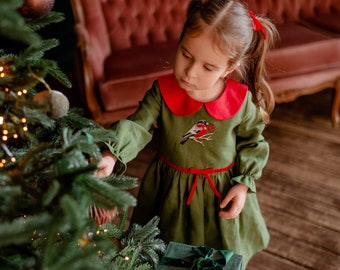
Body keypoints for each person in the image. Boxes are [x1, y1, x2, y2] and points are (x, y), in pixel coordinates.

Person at [96, 0, 278, 268]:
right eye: (186, 54)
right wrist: (111, 154)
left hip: (221, 195)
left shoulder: (240, 102)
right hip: (170, 194)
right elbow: (137, 124)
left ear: (228, 68)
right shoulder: (162, 92)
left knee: (221, 257)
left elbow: (253, 142)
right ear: (179, 41)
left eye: (207, 67)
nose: (190, 73)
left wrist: (243, 184)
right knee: (166, 255)